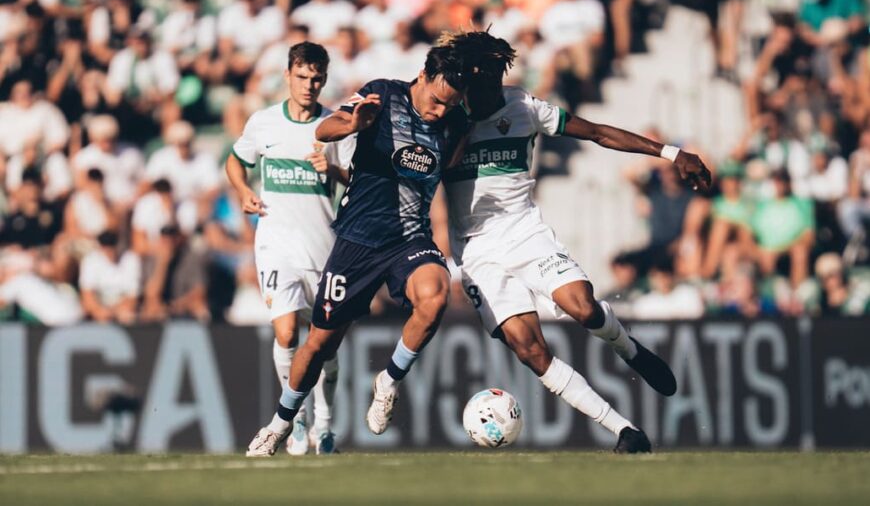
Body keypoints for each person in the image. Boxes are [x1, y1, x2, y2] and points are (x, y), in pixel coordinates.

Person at [438, 30, 712, 453]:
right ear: (467, 80)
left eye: (496, 75)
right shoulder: (445, 121)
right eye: (481, 78)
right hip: (477, 251)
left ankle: (627, 347)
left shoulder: (524, 108)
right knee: (530, 350)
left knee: (583, 308)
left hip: (525, 232)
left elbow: (598, 132)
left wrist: (672, 154)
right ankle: (623, 430)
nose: (491, 87)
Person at [245, 43, 470, 455]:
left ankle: (388, 380)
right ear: (422, 76)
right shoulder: (383, 94)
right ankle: (279, 425)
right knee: (319, 345)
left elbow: (450, 168)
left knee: (436, 295)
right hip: (357, 241)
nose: (440, 111)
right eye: (437, 101)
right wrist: (352, 125)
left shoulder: (455, 122)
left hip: (409, 238)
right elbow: (323, 130)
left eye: (449, 105)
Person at [230, 42, 351, 456]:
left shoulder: (336, 126)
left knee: (326, 344)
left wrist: (332, 169)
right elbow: (235, 160)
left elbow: (357, 179)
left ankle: (326, 423)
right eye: (302, 77)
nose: (309, 85)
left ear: (324, 80)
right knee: (286, 333)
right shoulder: (264, 123)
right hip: (276, 243)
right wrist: (244, 189)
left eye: (317, 78)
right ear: (288, 76)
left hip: (324, 247)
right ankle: (296, 420)